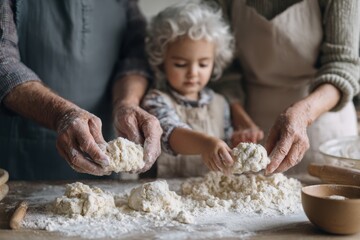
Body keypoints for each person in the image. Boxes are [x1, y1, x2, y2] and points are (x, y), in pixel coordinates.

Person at [0, 0, 162, 180]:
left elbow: (135, 56)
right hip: (24, 154)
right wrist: (62, 114)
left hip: (103, 144)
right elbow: (3, 64)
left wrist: (127, 103)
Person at [205, 0, 360, 179]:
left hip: (321, 119)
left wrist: (304, 114)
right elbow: (224, 71)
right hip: (251, 124)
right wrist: (241, 118)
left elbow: (342, 65)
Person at [142, 0, 263, 178]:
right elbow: (172, 135)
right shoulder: (155, 101)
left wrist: (238, 142)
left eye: (203, 64)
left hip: (207, 196)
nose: (193, 73)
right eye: (180, 64)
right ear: (161, 61)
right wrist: (206, 143)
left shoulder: (221, 103)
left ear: (216, 62)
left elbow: (227, 150)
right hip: (164, 195)